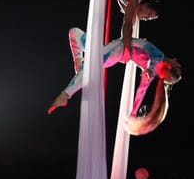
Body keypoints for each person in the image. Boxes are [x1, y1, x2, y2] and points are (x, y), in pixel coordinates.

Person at [48, 28, 181, 136]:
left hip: (117, 51)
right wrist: (133, 114)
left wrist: (133, 114)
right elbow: (151, 62)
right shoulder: (157, 61)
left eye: (177, 66)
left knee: (90, 67)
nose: (176, 60)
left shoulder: (157, 64)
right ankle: (78, 62)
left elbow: (141, 90)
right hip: (114, 48)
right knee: (74, 33)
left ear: (170, 68)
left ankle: (65, 95)